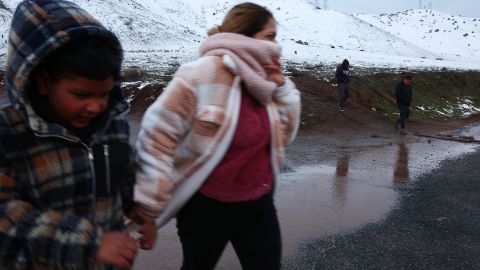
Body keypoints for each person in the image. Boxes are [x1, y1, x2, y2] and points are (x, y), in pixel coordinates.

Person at [133, 2, 301, 269]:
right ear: (245, 36)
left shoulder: (266, 81)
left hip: (258, 204)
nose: (276, 45)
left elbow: (286, 136)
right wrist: (149, 209)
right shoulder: (201, 73)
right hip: (206, 208)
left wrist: (282, 90)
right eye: (270, 37)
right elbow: (158, 136)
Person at [0, 1, 155, 269]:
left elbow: (123, 170)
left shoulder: (112, 123)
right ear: (42, 81)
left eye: (104, 94)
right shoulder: (9, 134)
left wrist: (139, 210)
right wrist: (87, 244)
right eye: (81, 95)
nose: (96, 107)